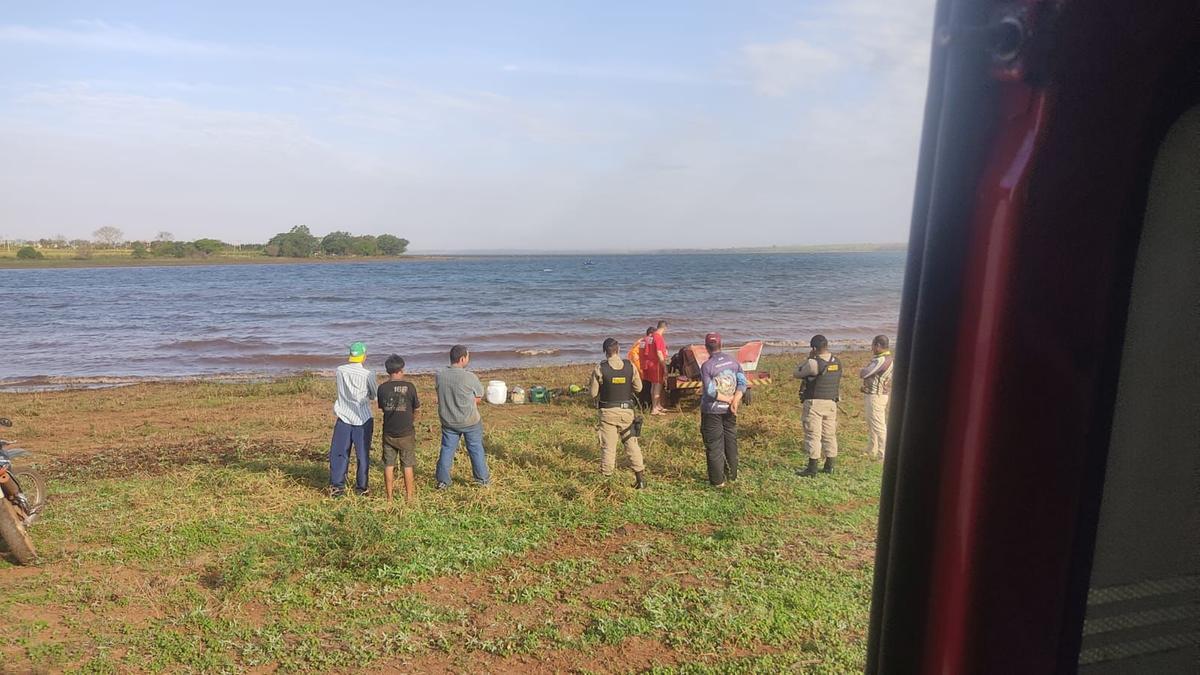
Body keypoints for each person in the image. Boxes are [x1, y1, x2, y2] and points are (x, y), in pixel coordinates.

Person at [589, 337, 647, 489]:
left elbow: (593, 393)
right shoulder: (630, 366)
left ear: (604, 352)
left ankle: (606, 481)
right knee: (632, 444)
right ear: (618, 350)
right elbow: (639, 388)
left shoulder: (600, 368)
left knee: (608, 447)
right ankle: (640, 479)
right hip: (626, 412)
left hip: (608, 413)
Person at [434, 344, 490, 489]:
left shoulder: (440, 375)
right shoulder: (469, 377)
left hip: (448, 420)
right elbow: (479, 397)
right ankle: (482, 481)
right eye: (468, 357)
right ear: (462, 359)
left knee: (447, 449)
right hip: (469, 421)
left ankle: (443, 482)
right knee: (475, 448)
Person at [329, 341, 378, 497]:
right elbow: (374, 395)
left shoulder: (340, 370)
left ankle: (337, 486)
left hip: (343, 416)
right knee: (362, 454)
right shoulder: (368, 374)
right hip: (362, 418)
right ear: (364, 356)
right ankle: (362, 487)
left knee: (339, 453)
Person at [698, 332, 747, 487]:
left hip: (712, 411)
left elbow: (710, 391)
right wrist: (735, 400)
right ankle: (732, 475)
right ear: (721, 344)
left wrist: (727, 399)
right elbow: (742, 382)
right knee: (730, 441)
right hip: (730, 410)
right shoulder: (733, 361)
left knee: (714, 445)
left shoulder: (707, 366)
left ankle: (718, 481)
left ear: (706, 347)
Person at [795, 334, 842, 477]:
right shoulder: (837, 362)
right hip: (831, 402)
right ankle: (829, 465)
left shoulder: (813, 363)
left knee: (813, 435)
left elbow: (796, 373)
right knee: (829, 434)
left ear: (814, 348)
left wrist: (808, 359)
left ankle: (812, 468)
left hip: (815, 403)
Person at [378, 354, 421, 502]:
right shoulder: (410, 387)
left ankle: (389, 497)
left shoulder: (382, 388)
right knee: (407, 465)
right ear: (400, 370)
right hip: (406, 432)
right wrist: (412, 420)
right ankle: (409, 497)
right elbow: (416, 408)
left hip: (389, 432)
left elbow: (383, 408)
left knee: (389, 464)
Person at [859, 335, 894, 460]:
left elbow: (864, 373)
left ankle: (883, 454)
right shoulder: (884, 358)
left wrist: (863, 371)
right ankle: (871, 449)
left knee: (879, 426)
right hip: (875, 394)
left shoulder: (882, 360)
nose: (871, 348)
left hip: (876, 396)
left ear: (878, 345)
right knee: (871, 423)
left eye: (873, 345)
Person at [640, 320, 670, 414]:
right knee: (657, 385)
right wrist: (664, 366)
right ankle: (654, 408)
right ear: (665, 328)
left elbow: (642, 349)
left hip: (648, 364)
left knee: (653, 385)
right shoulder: (658, 337)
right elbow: (659, 352)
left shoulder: (647, 338)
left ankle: (657, 405)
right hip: (656, 364)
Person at [628, 326, 655, 409]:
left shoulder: (642, 341)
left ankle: (644, 404)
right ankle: (644, 405)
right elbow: (634, 355)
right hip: (639, 369)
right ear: (650, 334)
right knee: (645, 386)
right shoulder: (642, 342)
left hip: (640, 367)